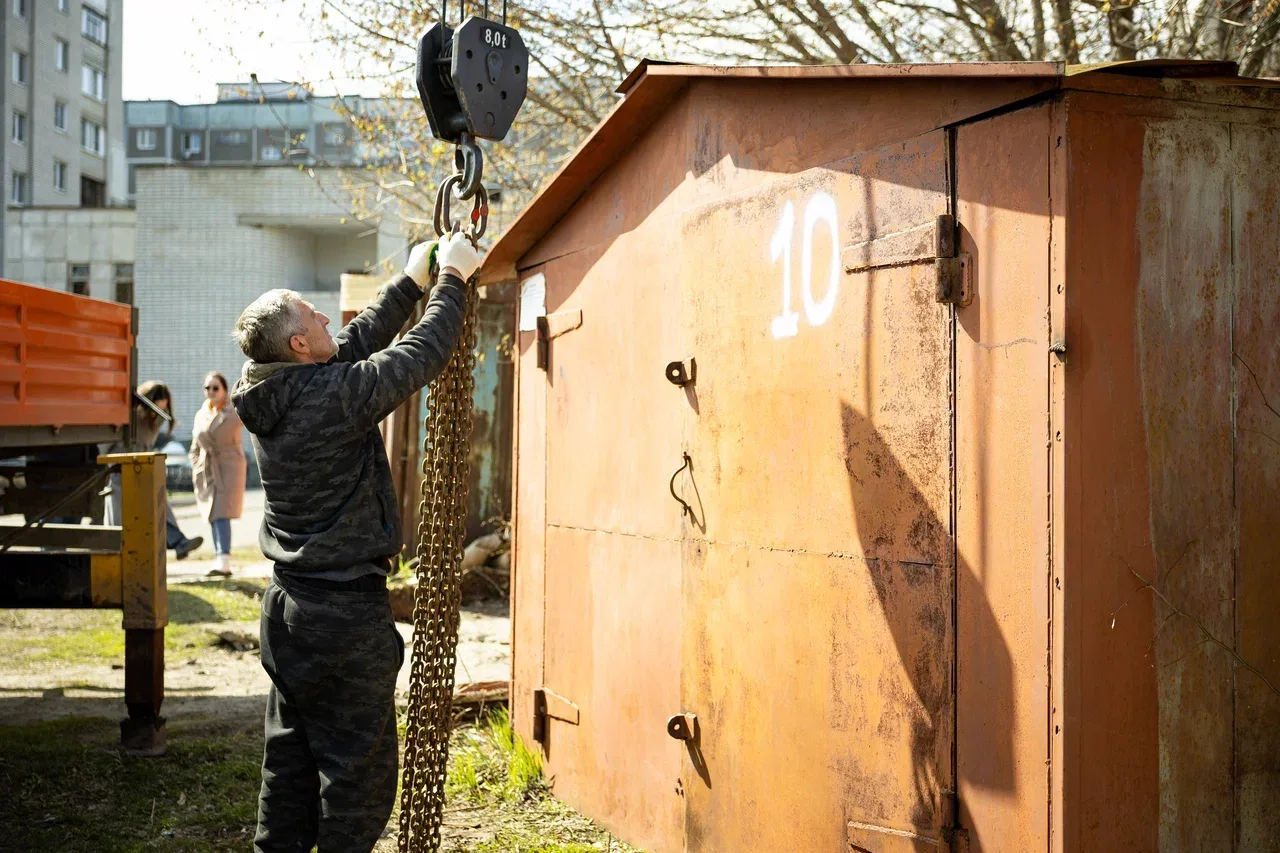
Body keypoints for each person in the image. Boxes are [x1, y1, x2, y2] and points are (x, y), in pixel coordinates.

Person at [231, 231, 480, 853]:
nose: (325, 317)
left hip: (290, 609)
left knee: (288, 761)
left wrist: (411, 281)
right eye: (312, 314)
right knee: (357, 778)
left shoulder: (279, 388)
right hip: (344, 614)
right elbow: (418, 355)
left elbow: (356, 341)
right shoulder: (330, 398)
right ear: (297, 344)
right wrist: (452, 279)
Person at [104, 380, 204, 559]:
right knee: (117, 515)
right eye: (155, 407)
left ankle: (178, 542)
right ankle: (115, 552)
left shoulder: (155, 420)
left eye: (163, 409)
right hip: (120, 467)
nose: (158, 414)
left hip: (141, 467)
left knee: (158, 502)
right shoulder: (132, 415)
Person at [190, 371, 247, 577]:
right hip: (207, 468)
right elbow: (195, 445)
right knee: (212, 513)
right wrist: (195, 463)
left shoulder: (234, 412)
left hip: (229, 466)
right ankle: (219, 558)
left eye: (215, 388)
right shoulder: (201, 414)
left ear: (224, 390)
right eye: (207, 388)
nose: (211, 392)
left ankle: (223, 561)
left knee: (222, 513)